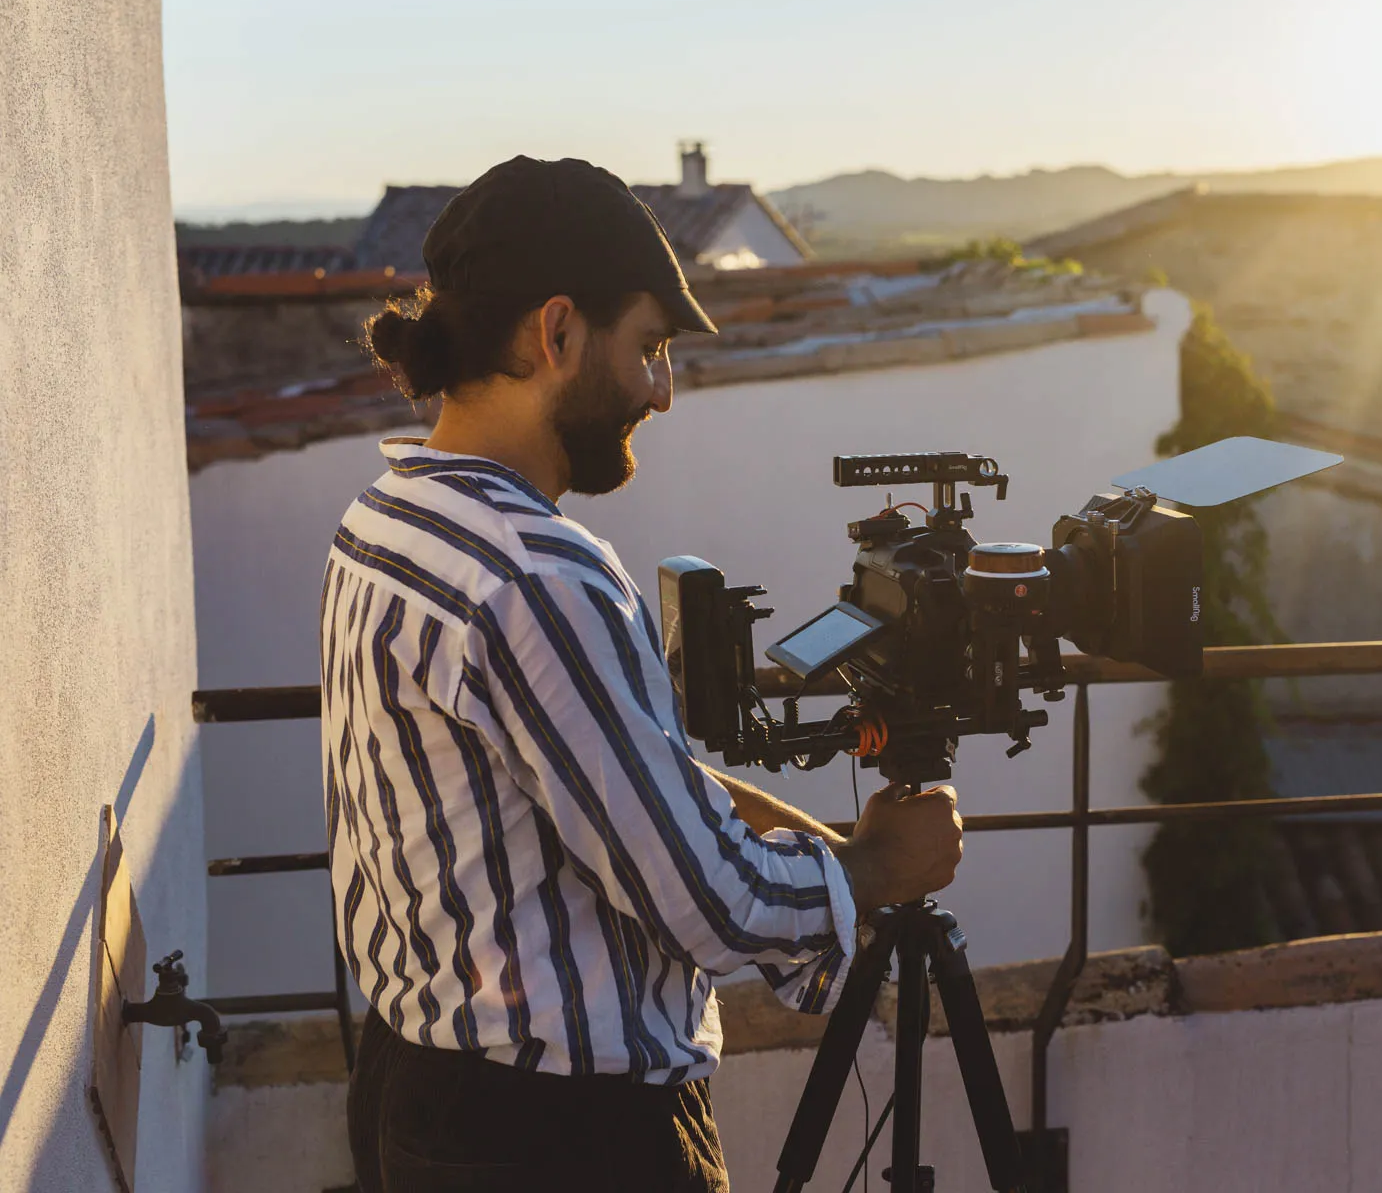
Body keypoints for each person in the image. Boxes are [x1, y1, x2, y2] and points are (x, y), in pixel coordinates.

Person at [323, 156, 963, 1192]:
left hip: (419, 1092)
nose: (661, 392)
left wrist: (816, 838)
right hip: (559, 1140)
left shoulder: (386, 522)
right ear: (558, 332)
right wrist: (881, 869)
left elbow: (616, 780)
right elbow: (705, 903)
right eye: (651, 349)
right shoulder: (539, 575)